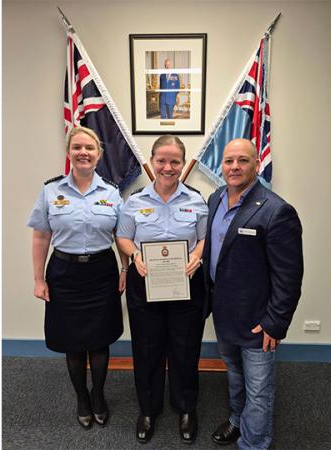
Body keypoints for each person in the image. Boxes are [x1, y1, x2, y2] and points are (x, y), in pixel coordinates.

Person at [202, 138, 304, 450]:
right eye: (229, 161)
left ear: (257, 164)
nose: (234, 167)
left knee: (259, 390)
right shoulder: (216, 198)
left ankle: (254, 443)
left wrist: (275, 321)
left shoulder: (276, 211)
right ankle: (237, 419)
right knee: (234, 373)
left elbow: (289, 276)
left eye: (243, 160)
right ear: (222, 165)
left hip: (258, 320)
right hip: (225, 312)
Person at [26, 126, 128, 430]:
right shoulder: (51, 191)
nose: (83, 152)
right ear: (69, 152)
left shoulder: (111, 192)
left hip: (101, 272)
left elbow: (121, 236)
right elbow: (41, 237)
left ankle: (98, 395)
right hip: (64, 273)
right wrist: (38, 279)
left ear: (99, 154)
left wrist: (125, 270)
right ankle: (82, 397)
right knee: (73, 342)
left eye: (89, 148)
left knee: (99, 340)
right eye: (77, 147)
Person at [116, 135, 208, 444]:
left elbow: (204, 238)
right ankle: (148, 409)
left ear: (182, 163)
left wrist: (197, 256)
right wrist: (135, 255)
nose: (168, 167)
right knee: (147, 349)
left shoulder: (196, 200)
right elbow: (123, 237)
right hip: (145, 284)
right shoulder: (135, 201)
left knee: (185, 349)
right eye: (162, 161)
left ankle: (185, 407)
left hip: (186, 284)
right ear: (153, 161)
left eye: (174, 161)